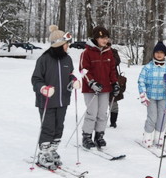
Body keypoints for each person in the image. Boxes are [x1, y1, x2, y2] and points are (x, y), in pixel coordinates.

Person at [30, 25, 80, 169]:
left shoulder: (67, 60)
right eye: (66, 43)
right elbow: (36, 79)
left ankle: (52, 150)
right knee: (48, 127)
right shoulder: (44, 60)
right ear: (59, 45)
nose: (68, 46)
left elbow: (70, 74)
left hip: (62, 100)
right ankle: (44, 153)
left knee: (59, 126)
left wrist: (74, 81)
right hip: (46, 101)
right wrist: (43, 89)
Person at [79, 26, 120, 149]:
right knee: (92, 113)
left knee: (102, 113)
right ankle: (87, 136)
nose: (105, 40)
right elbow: (83, 70)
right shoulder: (86, 53)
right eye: (102, 37)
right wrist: (91, 82)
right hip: (90, 88)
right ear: (96, 38)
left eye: (106, 37)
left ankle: (99, 135)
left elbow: (112, 70)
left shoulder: (109, 52)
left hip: (105, 88)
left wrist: (115, 83)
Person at [138, 41, 166, 156]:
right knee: (152, 117)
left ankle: (159, 137)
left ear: (164, 54)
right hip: (151, 97)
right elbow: (141, 80)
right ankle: (147, 137)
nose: (159, 55)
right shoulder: (148, 67)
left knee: (162, 117)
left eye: (161, 53)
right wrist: (143, 93)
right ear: (154, 54)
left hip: (163, 96)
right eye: (157, 52)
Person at [108, 45, 126, 128]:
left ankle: (113, 122)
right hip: (101, 80)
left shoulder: (113, 52)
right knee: (100, 104)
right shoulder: (97, 52)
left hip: (114, 80)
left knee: (113, 102)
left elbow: (116, 62)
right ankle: (99, 122)